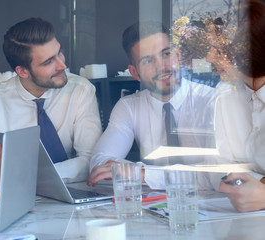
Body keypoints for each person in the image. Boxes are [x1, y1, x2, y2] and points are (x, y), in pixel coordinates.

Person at [0, 17, 102, 190]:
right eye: (49, 61)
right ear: (22, 71)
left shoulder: (80, 90)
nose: (62, 65)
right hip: (10, 196)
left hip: (73, 194)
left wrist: (35, 177)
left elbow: (91, 159)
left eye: (59, 52)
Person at [88, 21, 216, 189]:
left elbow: (214, 175)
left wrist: (141, 173)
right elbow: (99, 163)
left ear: (177, 56)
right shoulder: (129, 107)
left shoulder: (211, 100)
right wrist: (136, 172)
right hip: (154, 206)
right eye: (148, 61)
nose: (161, 67)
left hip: (213, 206)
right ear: (135, 73)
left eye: (166, 54)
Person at [216, 0, 265, 212]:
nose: (209, 57)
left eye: (219, 51)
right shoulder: (225, 100)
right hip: (238, 221)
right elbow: (229, 172)